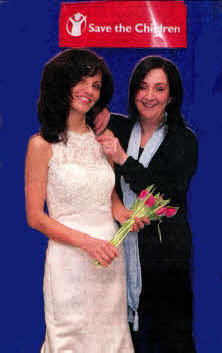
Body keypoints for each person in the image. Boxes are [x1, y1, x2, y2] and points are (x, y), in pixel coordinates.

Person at [25, 48, 147, 353]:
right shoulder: (41, 145)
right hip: (70, 263)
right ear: (60, 84)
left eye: (95, 85)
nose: (89, 91)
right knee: (71, 341)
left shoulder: (101, 141)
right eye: (81, 81)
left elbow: (111, 200)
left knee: (110, 340)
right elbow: (35, 217)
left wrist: (127, 216)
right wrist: (87, 242)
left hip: (110, 260)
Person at [95, 56, 198, 353]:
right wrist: (98, 114)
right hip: (118, 252)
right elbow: (76, 116)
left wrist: (123, 160)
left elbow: (166, 193)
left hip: (165, 257)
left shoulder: (184, 140)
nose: (149, 96)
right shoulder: (118, 126)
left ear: (172, 95)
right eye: (142, 87)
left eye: (159, 89)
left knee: (167, 338)